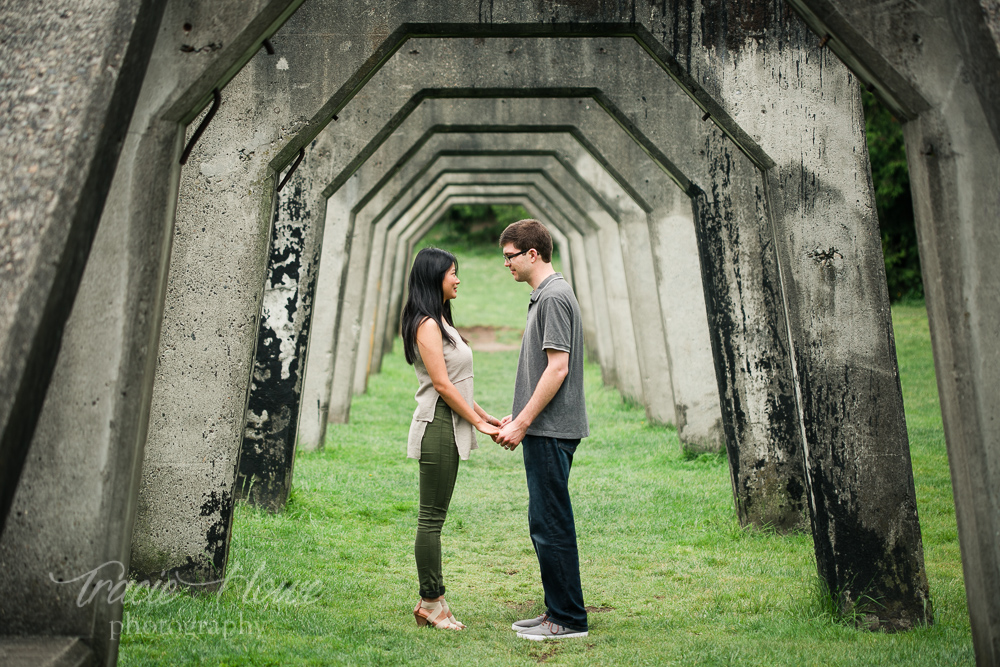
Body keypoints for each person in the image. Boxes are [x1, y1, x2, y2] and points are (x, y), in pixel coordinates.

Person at [495, 219, 590, 640]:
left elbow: (558, 367)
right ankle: (557, 610)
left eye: (510, 257)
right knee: (544, 520)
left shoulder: (552, 297)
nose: (506, 266)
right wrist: (515, 418)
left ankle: (567, 619)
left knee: (551, 523)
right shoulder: (546, 294)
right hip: (542, 429)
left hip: (550, 430)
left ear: (533, 254)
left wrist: (525, 422)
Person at [401, 247, 501, 630]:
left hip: (450, 422)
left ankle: (433, 600)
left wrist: (483, 414)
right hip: (438, 426)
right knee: (431, 519)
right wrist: (477, 422)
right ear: (434, 278)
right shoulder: (427, 324)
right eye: (452, 273)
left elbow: (455, 383)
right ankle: (432, 602)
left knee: (434, 518)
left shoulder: (439, 320)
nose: (458, 279)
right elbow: (441, 384)